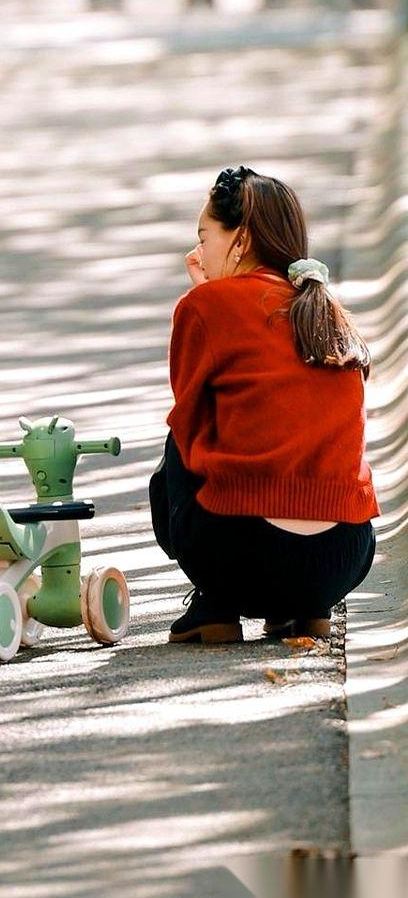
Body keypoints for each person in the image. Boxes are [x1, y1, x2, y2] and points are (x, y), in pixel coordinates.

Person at [150, 165, 377, 644]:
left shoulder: (204, 308)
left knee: (178, 438)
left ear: (241, 238)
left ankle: (217, 605)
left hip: (239, 553)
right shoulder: (324, 309)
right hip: (344, 556)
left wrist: (205, 298)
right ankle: (308, 608)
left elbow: (190, 431)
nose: (196, 253)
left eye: (204, 235)